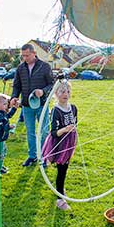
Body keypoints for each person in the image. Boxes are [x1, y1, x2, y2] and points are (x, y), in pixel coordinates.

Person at [10, 43, 54, 167]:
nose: (25, 58)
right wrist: (14, 97)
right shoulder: (20, 68)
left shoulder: (45, 66)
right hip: (26, 106)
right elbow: (17, 85)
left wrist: (43, 91)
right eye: (23, 56)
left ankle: (45, 157)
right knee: (30, 132)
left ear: (34, 53)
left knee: (44, 131)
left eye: (27, 55)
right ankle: (32, 156)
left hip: (42, 105)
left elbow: (52, 84)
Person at [42, 81, 77, 210]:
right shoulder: (56, 110)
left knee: (64, 169)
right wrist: (65, 129)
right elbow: (53, 132)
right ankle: (60, 199)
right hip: (59, 144)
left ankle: (60, 189)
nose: (65, 94)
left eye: (68, 91)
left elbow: (75, 122)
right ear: (55, 94)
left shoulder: (73, 108)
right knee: (61, 170)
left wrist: (73, 129)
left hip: (69, 142)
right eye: (62, 91)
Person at [0, 94, 17, 175]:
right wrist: (9, 127)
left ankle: (0, 166)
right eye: (4, 104)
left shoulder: (2, 112)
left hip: (3, 138)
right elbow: (1, 126)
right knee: (0, 154)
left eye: (6, 104)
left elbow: (8, 116)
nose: (6, 106)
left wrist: (14, 109)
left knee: (4, 152)